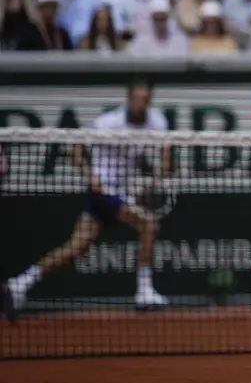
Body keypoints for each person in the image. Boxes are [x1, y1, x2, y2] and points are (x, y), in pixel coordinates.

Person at [2, 80, 170, 319]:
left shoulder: (157, 122)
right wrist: (91, 178)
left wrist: (149, 184)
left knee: (75, 248)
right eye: (136, 97)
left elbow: (166, 162)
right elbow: (77, 146)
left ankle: (20, 284)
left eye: (144, 98)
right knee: (149, 225)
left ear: (149, 100)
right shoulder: (109, 122)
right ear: (129, 98)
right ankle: (144, 292)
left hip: (119, 192)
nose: (140, 102)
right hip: (101, 192)